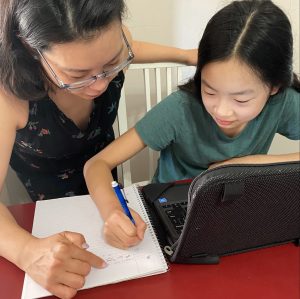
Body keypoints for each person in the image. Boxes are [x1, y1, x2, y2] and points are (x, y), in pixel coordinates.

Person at [0, 1, 197, 298]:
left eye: (112, 63)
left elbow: (135, 46)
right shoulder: (8, 93)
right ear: (32, 49)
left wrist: (185, 56)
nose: (101, 85)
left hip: (105, 181)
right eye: (78, 74)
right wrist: (28, 252)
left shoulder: (109, 43)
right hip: (49, 209)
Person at [84, 0, 300, 254]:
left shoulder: (283, 103)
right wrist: (113, 211)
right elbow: (96, 165)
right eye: (209, 90)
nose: (222, 110)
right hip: (172, 208)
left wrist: (241, 165)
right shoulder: (181, 108)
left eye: (241, 99)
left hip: (237, 207)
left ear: (274, 87)